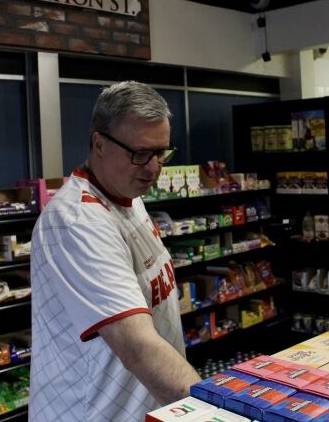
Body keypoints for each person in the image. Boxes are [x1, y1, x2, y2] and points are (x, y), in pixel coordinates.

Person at [29, 80, 201, 421]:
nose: (154, 168)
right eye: (140, 153)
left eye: (161, 152)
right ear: (99, 143)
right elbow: (138, 347)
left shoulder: (127, 195)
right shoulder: (77, 222)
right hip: (93, 413)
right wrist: (212, 408)